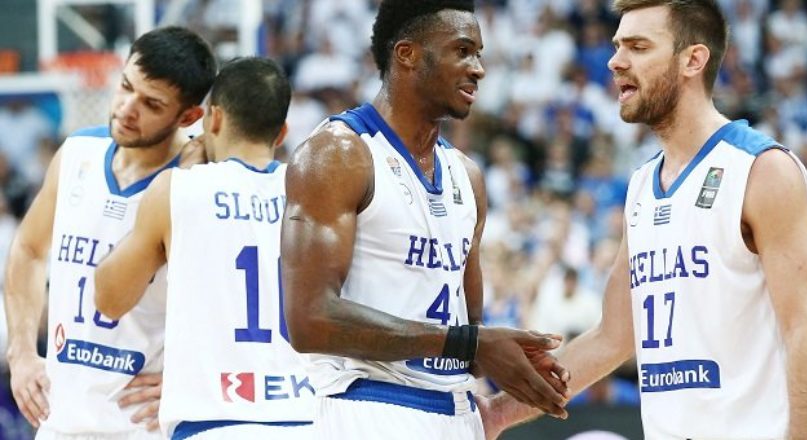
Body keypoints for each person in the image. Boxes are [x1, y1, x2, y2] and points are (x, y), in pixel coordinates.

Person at [481, 1, 807, 439]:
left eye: (638, 46)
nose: (615, 61)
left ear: (693, 60)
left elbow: (805, 330)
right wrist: (499, 413)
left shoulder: (761, 169)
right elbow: (611, 337)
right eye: (617, 46)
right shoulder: (642, 185)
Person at [280, 1, 569, 439]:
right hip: (368, 407)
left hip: (457, 412)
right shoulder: (338, 154)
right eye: (463, 51)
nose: (478, 69)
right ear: (407, 54)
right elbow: (309, 320)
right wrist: (468, 343)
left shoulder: (467, 176)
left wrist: (510, 356)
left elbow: (467, 331)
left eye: (479, 54)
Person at [3, 26, 216, 439]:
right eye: (126, 86)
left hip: (142, 425)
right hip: (60, 417)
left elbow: (237, 297)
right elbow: (29, 248)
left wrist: (195, 375)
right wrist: (23, 352)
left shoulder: (196, 180)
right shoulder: (77, 152)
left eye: (151, 103)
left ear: (188, 117)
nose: (127, 108)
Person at [93, 57, 314, 440]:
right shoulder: (315, 196)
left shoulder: (177, 189)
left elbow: (109, 299)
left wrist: (177, 174)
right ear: (281, 133)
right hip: (306, 417)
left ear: (213, 119)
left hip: (213, 419)